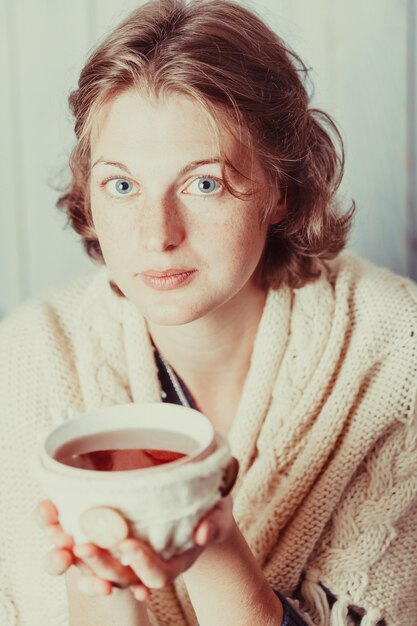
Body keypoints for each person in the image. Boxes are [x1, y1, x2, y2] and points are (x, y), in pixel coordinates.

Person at [1, 0, 416, 624]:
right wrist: (99, 581)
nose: (156, 235)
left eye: (204, 183)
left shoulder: (397, 352)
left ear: (278, 187)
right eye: (122, 185)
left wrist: (209, 536)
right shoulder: (28, 357)